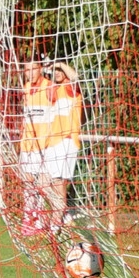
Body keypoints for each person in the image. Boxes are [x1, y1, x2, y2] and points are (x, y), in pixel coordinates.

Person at [19, 54, 82, 235]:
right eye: (55, 70)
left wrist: (59, 64)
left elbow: (75, 78)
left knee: (58, 183)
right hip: (52, 143)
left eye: (60, 70)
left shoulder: (70, 88)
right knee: (45, 183)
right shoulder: (54, 89)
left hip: (66, 141)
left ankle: (56, 223)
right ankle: (57, 216)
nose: (57, 73)